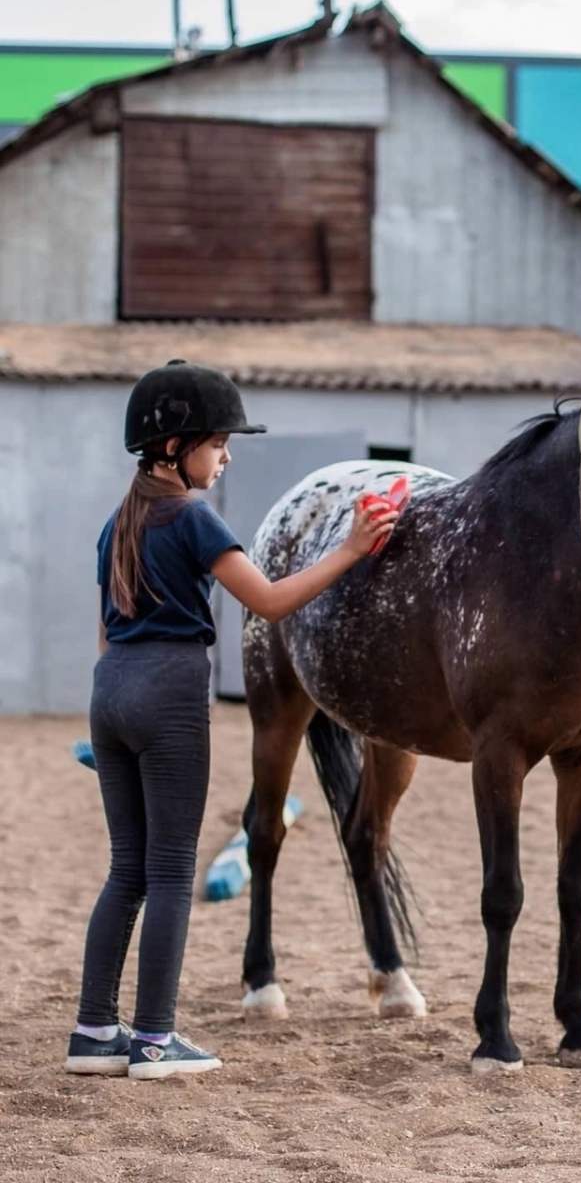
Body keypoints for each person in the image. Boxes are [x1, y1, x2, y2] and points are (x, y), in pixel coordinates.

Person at [66, 360, 400, 1081]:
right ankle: (154, 1039)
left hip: (111, 694)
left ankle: (93, 1031)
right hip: (169, 694)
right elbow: (272, 602)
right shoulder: (192, 517)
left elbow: (104, 632)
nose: (226, 455)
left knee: (126, 869)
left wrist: (111, 715)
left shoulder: (116, 522)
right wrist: (350, 547)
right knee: (170, 870)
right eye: (218, 442)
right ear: (174, 447)